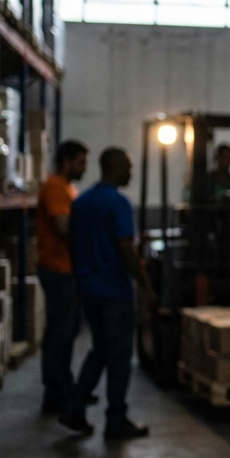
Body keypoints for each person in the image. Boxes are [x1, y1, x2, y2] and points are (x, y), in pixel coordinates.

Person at [59, 147, 157, 440]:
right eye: (128, 167)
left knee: (99, 350)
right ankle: (116, 420)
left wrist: (79, 282)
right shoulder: (119, 203)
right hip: (114, 290)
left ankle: (75, 408)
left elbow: (74, 246)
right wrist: (145, 286)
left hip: (89, 289)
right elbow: (126, 248)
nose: (131, 172)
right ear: (114, 168)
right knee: (119, 357)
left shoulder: (81, 202)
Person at [36, 139, 89, 415]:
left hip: (67, 269)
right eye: (81, 162)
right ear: (67, 161)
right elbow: (63, 227)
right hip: (57, 270)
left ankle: (65, 387)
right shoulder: (56, 187)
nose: (84, 168)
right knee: (59, 333)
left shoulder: (68, 188)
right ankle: (55, 394)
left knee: (67, 332)